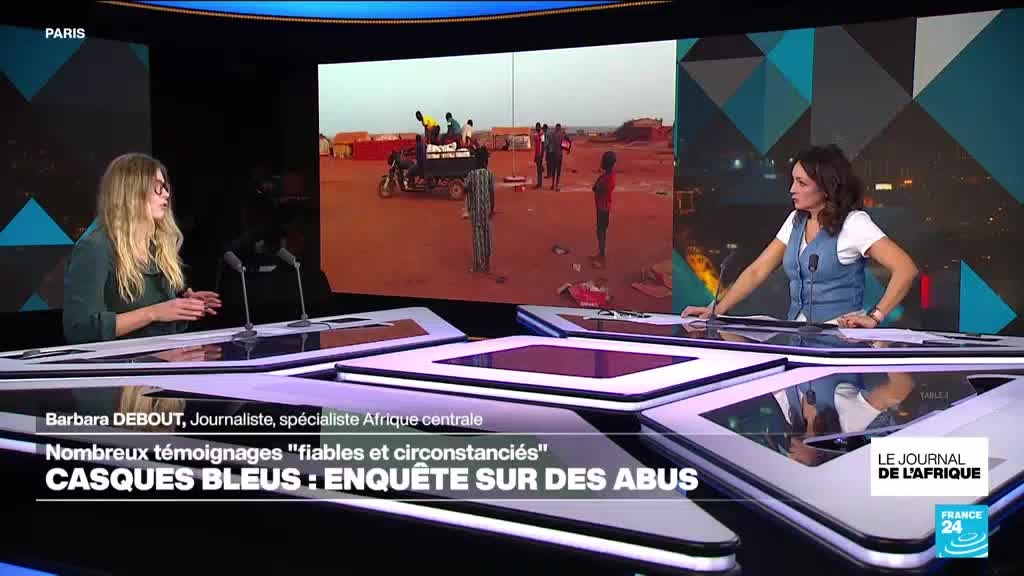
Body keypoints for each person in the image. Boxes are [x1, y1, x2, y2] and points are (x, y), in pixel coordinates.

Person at [681, 144, 918, 327]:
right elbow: (758, 270)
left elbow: (906, 269)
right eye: (793, 180)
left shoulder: (854, 223)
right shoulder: (796, 220)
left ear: (827, 188)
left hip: (841, 339)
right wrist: (716, 309)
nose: (792, 189)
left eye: (801, 183)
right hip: (798, 335)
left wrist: (875, 317)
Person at [62, 153, 222, 344]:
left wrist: (182, 307)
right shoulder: (96, 247)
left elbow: (156, 323)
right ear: (131, 191)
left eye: (165, 187)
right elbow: (80, 330)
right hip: (120, 361)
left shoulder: (158, 244)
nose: (166, 194)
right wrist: (154, 312)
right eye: (157, 187)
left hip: (164, 355)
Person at [465, 147, 495, 273]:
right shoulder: (489, 174)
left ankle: (478, 264)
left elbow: (466, 190)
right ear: (486, 161)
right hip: (486, 210)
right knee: (487, 236)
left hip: (476, 211)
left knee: (477, 238)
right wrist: (492, 208)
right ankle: (487, 264)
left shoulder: (471, 175)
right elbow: (492, 193)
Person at [591, 151, 616, 269]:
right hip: (602, 206)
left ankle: (602, 254)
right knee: (601, 230)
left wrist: (599, 182)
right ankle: (601, 251)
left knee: (601, 231)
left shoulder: (608, 178)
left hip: (603, 207)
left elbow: (596, 188)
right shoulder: (608, 176)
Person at [548, 123, 570, 191]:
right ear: (559, 128)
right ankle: (556, 185)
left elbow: (549, 143)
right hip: (558, 155)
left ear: (556, 128)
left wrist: (567, 149)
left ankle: (553, 185)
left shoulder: (553, 134)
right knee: (557, 171)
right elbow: (569, 140)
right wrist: (568, 149)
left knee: (554, 170)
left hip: (554, 154)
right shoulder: (562, 134)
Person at [533, 122, 545, 189]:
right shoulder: (536, 135)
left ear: (540, 127)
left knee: (539, 170)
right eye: (536, 127)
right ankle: (539, 183)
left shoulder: (542, 135)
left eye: (538, 127)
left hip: (540, 154)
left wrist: (542, 156)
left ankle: (540, 184)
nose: (537, 128)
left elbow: (543, 145)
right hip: (537, 154)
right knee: (538, 170)